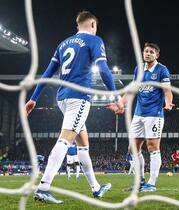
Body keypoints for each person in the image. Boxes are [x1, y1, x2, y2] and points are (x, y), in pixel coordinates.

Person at [25, 11, 122, 204]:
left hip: (62, 98)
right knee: (65, 140)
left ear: (77, 25)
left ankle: (95, 188)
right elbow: (103, 69)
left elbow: (46, 73)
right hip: (79, 98)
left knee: (83, 144)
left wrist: (33, 98)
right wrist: (116, 96)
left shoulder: (63, 44)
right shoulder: (94, 41)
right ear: (93, 24)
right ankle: (43, 188)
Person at [108, 42, 174, 192]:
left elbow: (167, 91)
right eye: (146, 51)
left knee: (152, 147)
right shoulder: (139, 69)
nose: (147, 53)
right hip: (138, 114)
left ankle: (152, 184)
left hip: (154, 114)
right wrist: (121, 104)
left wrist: (168, 103)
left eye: (151, 51)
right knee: (133, 148)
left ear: (157, 55)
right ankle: (140, 181)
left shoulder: (162, 70)